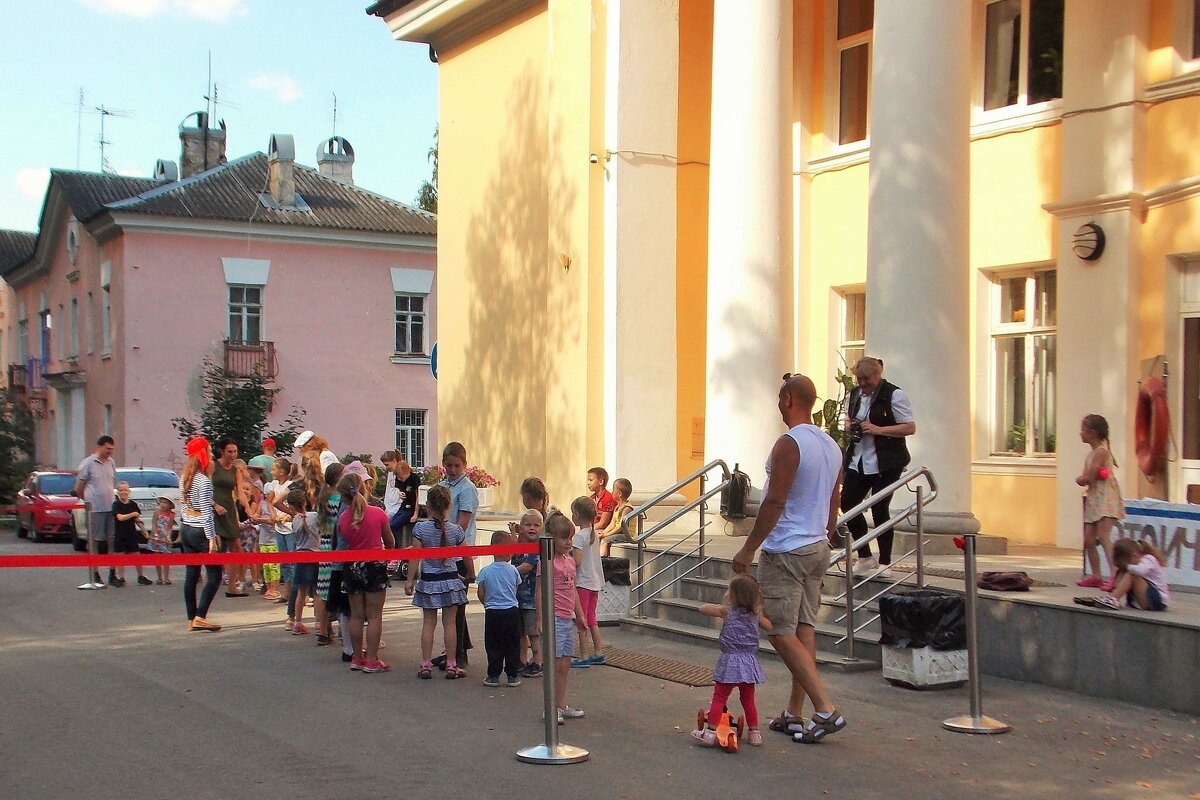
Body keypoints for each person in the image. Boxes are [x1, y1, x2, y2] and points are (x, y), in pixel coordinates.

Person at [732, 373, 847, 744]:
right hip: (816, 547)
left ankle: (825, 708)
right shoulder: (830, 445)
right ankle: (794, 714)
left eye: (780, 398)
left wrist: (749, 547)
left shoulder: (789, 444)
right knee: (803, 629)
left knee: (780, 632)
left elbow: (775, 500)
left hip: (787, 549)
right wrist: (825, 538)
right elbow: (833, 502)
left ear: (787, 400)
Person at [839, 357, 916, 577]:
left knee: (879, 508)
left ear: (877, 375)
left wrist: (878, 429)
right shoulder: (854, 396)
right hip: (859, 459)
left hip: (886, 461)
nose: (862, 384)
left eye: (866, 379)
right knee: (848, 503)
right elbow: (846, 421)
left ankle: (885, 562)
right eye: (859, 379)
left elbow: (909, 427)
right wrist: (850, 427)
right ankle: (864, 556)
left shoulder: (894, 394)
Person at [691, 574, 771, 748]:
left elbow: (704, 609)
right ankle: (754, 733)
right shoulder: (756, 615)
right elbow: (769, 626)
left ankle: (710, 732)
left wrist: (717, 606)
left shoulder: (727, 612)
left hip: (730, 661)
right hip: (749, 662)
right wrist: (759, 610)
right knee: (748, 698)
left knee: (720, 696)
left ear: (733, 595)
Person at [407, 485, 468, 679]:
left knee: (428, 623)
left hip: (429, 581)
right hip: (450, 580)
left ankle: (425, 664)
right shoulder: (456, 530)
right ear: (449, 505)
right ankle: (451, 664)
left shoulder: (420, 529)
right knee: (450, 624)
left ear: (428, 505)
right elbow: (466, 555)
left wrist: (409, 580)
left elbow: (415, 557)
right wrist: (471, 575)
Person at [338, 472, 395, 673]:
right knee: (374, 616)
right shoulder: (378, 513)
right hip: (374, 565)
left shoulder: (343, 519)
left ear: (343, 497)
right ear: (364, 488)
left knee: (356, 615)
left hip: (352, 566)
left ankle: (357, 657)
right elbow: (390, 541)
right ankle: (372, 659)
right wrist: (387, 556)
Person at [537, 512, 588, 724]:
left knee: (565, 663)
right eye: (563, 538)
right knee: (554, 663)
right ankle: (549, 707)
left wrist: (580, 615)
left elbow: (573, 590)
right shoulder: (548, 562)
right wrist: (540, 618)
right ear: (551, 538)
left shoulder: (569, 562)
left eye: (570, 538)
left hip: (567, 619)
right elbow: (539, 591)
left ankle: (560, 704)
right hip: (554, 618)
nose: (568, 543)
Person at [435, 441, 478, 670]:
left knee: (455, 604)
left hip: (459, 550)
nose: (452, 470)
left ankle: (458, 653)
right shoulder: (443, 485)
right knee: (451, 603)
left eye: (456, 465)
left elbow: (462, 521)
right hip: (444, 548)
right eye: (448, 465)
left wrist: (446, 540)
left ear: (464, 465)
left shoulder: (466, 488)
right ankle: (458, 646)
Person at [1076, 414, 1123, 590]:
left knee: (1103, 535)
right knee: (1089, 539)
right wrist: (1086, 477)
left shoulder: (1102, 452)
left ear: (1092, 432)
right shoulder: (1090, 454)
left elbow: (1090, 475)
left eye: (1083, 430)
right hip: (1094, 499)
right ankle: (1096, 575)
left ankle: (1115, 574)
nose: (1080, 434)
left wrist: (1083, 478)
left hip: (1105, 499)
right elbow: (1090, 473)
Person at [179, 437, 221, 631]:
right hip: (200, 532)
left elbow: (183, 507)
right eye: (209, 452)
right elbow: (206, 512)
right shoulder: (203, 481)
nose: (212, 456)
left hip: (186, 528)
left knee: (191, 575)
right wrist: (211, 537)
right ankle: (200, 616)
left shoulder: (184, 478)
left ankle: (191, 618)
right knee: (214, 576)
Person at [476, 530, 524, 688]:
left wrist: (487, 603)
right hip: (511, 610)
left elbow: (481, 592)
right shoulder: (513, 570)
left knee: (493, 644)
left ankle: (493, 675)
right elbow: (515, 588)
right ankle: (512, 675)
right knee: (512, 643)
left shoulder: (485, 571)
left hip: (493, 612)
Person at [74, 435, 118, 587]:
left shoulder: (111, 462)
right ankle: (95, 574)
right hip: (95, 509)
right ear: (99, 446)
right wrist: (86, 501)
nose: (109, 452)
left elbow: (113, 481)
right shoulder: (88, 463)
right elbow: (79, 486)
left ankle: (113, 573)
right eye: (107, 448)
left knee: (112, 540)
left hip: (110, 507)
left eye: (112, 449)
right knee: (94, 541)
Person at [570, 496, 605, 668]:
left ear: (576, 514)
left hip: (582, 582)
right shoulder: (594, 535)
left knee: (581, 619)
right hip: (594, 582)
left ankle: (583, 655)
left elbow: (576, 561)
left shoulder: (578, 537)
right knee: (592, 618)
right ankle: (598, 651)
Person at [211, 437, 249, 596]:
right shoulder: (213, 466)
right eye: (229, 451)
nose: (233, 455)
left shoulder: (236, 471)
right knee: (215, 548)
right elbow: (204, 488)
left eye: (235, 452)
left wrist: (248, 509)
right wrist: (214, 505)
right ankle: (212, 580)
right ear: (222, 451)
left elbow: (240, 494)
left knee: (236, 548)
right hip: (213, 508)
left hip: (229, 508)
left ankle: (232, 587)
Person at [315, 462, 346, 646]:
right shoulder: (339, 501)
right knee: (335, 587)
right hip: (336, 546)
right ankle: (335, 628)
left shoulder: (323, 499)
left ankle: (322, 628)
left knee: (322, 589)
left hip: (324, 544)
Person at [512, 508, 544, 677]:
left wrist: (507, 574)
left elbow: (527, 567)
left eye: (536, 525)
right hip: (518, 599)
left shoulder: (537, 548)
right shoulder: (520, 546)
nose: (532, 528)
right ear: (521, 527)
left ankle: (538, 662)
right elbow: (512, 556)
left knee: (533, 632)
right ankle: (522, 660)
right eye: (528, 525)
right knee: (520, 632)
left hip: (532, 600)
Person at [1099, 539, 1169, 611]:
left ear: (1134, 555)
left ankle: (1113, 598)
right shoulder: (1136, 562)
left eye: (1128, 562)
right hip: (1144, 598)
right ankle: (1112, 597)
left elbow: (1140, 571)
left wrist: (1127, 566)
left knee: (1132, 574)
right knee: (1123, 572)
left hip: (1158, 600)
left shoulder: (1148, 559)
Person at [286, 487, 319, 635]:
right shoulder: (314, 516)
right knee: (317, 592)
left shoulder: (295, 521)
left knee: (301, 592)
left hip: (300, 556)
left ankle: (297, 622)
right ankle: (319, 622)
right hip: (315, 555)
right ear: (305, 501)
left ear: (291, 506)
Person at [265, 458, 296, 604]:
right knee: (284, 562)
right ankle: (287, 593)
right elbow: (270, 501)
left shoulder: (290, 486)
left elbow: (293, 507)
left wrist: (286, 515)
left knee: (293, 562)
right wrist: (272, 514)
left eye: (273, 469)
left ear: (282, 471)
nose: (271, 472)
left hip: (289, 528)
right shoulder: (274, 484)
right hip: (279, 527)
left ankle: (296, 594)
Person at [112, 481, 151, 586]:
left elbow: (137, 520)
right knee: (120, 556)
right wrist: (133, 514)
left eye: (125, 490)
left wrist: (144, 530)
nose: (123, 492)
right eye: (121, 490)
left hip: (131, 533)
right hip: (120, 534)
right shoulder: (116, 504)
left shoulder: (133, 504)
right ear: (118, 492)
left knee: (136, 554)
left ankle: (141, 576)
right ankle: (121, 578)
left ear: (129, 491)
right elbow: (120, 517)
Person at [381, 451, 420, 547]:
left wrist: (415, 513)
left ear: (407, 473)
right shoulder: (398, 479)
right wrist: (401, 494)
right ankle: (394, 547)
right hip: (403, 507)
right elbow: (400, 490)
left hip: (410, 508)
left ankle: (395, 549)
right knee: (389, 525)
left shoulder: (414, 478)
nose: (400, 480)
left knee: (393, 526)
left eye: (402, 478)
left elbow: (418, 496)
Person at [598, 477, 634, 556]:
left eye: (613, 490)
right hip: (619, 533)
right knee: (598, 537)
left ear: (619, 493)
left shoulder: (626, 508)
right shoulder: (617, 507)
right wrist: (603, 532)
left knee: (604, 541)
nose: (612, 492)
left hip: (627, 535)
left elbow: (620, 526)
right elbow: (612, 524)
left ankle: (604, 562)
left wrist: (606, 535)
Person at [148, 496, 176, 585]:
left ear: (170, 505)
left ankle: (166, 578)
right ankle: (159, 578)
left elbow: (170, 527)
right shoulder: (157, 512)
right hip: (156, 537)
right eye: (162, 502)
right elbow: (154, 523)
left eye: (165, 503)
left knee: (166, 558)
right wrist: (155, 534)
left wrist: (168, 536)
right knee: (157, 558)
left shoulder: (171, 515)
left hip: (165, 538)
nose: (163, 504)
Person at [586, 467, 616, 533]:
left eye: (591, 480)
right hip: (594, 528)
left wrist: (587, 529)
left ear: (601, 481)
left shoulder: (608, 498)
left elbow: (603, 524)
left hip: (604, 530)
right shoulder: (591, 498)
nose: (588, 483)